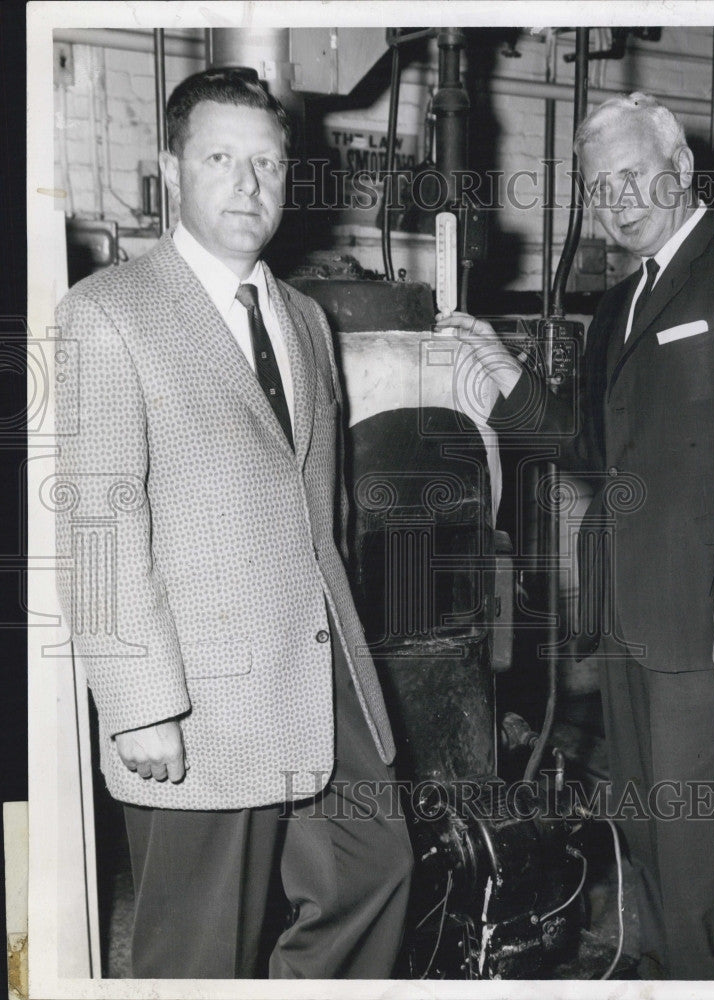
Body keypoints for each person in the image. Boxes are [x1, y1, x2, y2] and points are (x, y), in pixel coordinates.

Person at [54, 66, 413, 980]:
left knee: (373, 876)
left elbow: (318, 511)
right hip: (199, 697)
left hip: (320, 669)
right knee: (198, 950)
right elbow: (97, 525)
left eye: (267, 162)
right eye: (220, 158)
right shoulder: (107, 313)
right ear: (171, 170)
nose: (249, 184)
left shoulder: (303, 319)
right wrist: (141, 706)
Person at [435, 92, 714, 979]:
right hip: (634, 622)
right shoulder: (619, 305)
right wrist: (507, 371)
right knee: (643, 829)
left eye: (633, 174)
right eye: (600, 186)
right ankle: (658, 974)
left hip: (711, 625)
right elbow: (587, 449)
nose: (619, 197)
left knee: (696, 850)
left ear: (680, 169)